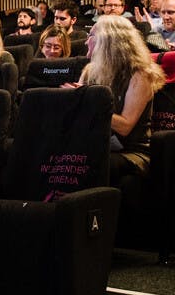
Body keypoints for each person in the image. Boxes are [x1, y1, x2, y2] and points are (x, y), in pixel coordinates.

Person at [70, 15, 164, 179]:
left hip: (132, 151)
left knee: (90, 163)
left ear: (108, 41)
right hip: (97, 144)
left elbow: (125, 127)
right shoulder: (90, 71)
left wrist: (88, 101)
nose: (86, 42)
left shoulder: (140, 75)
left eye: (90, 36)